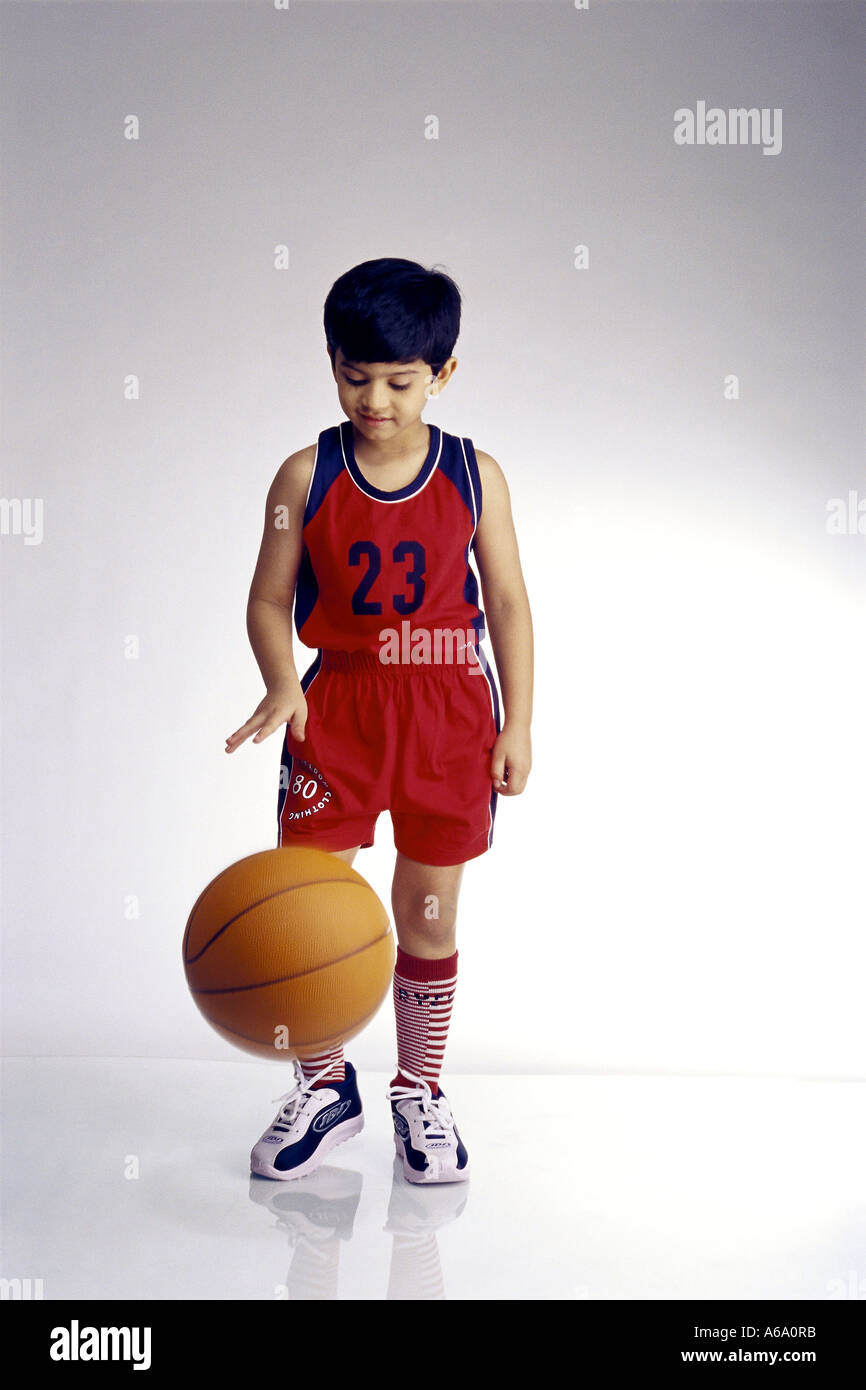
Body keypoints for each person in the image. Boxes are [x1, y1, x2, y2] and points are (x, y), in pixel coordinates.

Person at [226, 257, 533, 1184]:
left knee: (425, 915)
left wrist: (519, 722)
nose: (376, 400)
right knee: (307, 915)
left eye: (400, 381)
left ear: (442, 373)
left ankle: (418, 1090)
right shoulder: (304, 472)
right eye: (355, 376)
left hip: (447, 710)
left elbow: (510, 604)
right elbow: (267, 601)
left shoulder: (475, 474)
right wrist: (284, 683)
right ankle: (326, 1086)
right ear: (332, 363)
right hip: (340, 707)